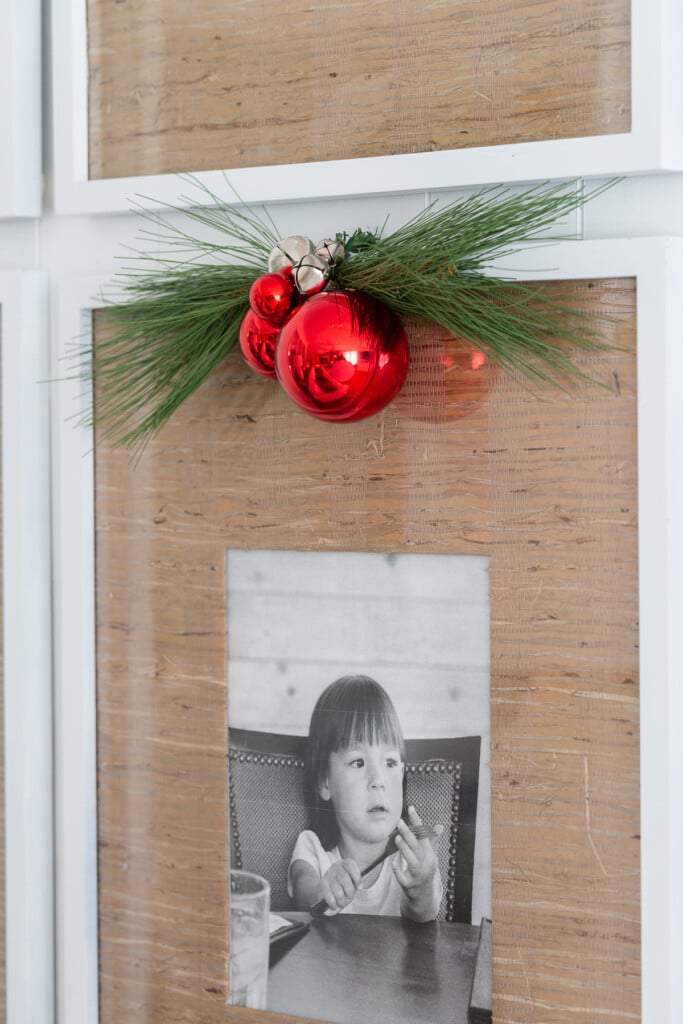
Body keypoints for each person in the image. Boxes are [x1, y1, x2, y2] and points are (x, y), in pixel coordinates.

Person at [288, 674, 443, 921]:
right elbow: (303, 892)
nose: (378, 780)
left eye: (390, 762)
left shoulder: (407, 858)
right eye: (358, 762)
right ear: (324, 783)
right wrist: (322, 890)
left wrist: (422, 887)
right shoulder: (313, 849)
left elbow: (425, 913)